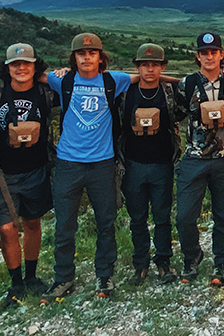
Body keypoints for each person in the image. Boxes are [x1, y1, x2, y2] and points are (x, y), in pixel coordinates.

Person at [43, 32, 135, 300]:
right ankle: (63, 278)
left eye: (92, 53)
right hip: (68, 163)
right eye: (81, 53)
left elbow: (148, 76)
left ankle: (105, 276)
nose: (86, 57)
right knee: (64, 225)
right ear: (74, 58)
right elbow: (26, 74)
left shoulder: (113, 80)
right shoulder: (63, 80)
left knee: (106, 222)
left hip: (102, 164)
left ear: (100, 56)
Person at [0, 44, 57, 304]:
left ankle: (31, 277)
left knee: (33, 223)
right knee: (7, 229)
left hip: (36, 168)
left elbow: (82, 84)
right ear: (7, 67)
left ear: (35, 66)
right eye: (15, 64)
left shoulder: (46, 91)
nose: (21, 68)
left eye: (26, 63)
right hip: (1, 172)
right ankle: (16, 283)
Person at [174, 32, 224, 286]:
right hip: (194, 156)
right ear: (198, 56)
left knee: (222, 213)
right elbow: (176, 112)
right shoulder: (186, 84)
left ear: (221, 54)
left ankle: (222, 261)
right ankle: (192, 256)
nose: (209, 56)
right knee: (184, 216)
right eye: (204, 52)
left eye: (214, 52)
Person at [118, 44, 184, 286]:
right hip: (132, 164)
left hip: (162, 164)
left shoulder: (170, 92)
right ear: (137, 67)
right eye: (144, 65)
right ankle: (140, 264)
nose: (150, 69)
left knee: (162, 217)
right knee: (137, 219)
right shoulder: (125, 92)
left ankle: (164, 262)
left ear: (162, 67)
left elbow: (192, 83)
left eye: (155, 65)